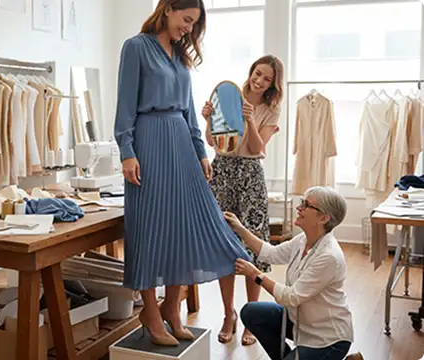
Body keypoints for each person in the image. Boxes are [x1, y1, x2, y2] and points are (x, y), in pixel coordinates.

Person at [114, 0, 252, 347]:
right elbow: (124, 105)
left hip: (181, 144)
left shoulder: (179, 56)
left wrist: (200, 151)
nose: (188, 29)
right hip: (148, 141)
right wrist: (127, 152)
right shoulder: (136, 48)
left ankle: (172, 310)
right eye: (186, 20)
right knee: (148, 228)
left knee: (181, 229)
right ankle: (149, 310)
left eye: (193, 24)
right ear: (168, 9)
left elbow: (190, 109)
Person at [201, 55, 284, 345]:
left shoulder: (271, 110)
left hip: (250, 176)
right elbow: (213, 142)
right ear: (251, 71)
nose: (259, 80)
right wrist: (209, 118)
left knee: (252, 249)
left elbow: (257, 148)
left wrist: (249, 118)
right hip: (221, 172)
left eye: (267, 79)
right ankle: (228, 315)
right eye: (257, 73)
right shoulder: (228, 95)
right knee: (225, 247)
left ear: (273, 84)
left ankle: (251, 317)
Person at [224, 186, 354, 360]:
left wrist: (255, 274)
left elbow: (290, 297)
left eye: (306, 205)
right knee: (251, 312)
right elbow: (270, 253)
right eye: (302, 202)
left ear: (324, 218)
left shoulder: (329, 256)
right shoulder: (303, 240)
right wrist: (240, 228)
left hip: (327, 339)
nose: (299, 208)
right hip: (301, 322)